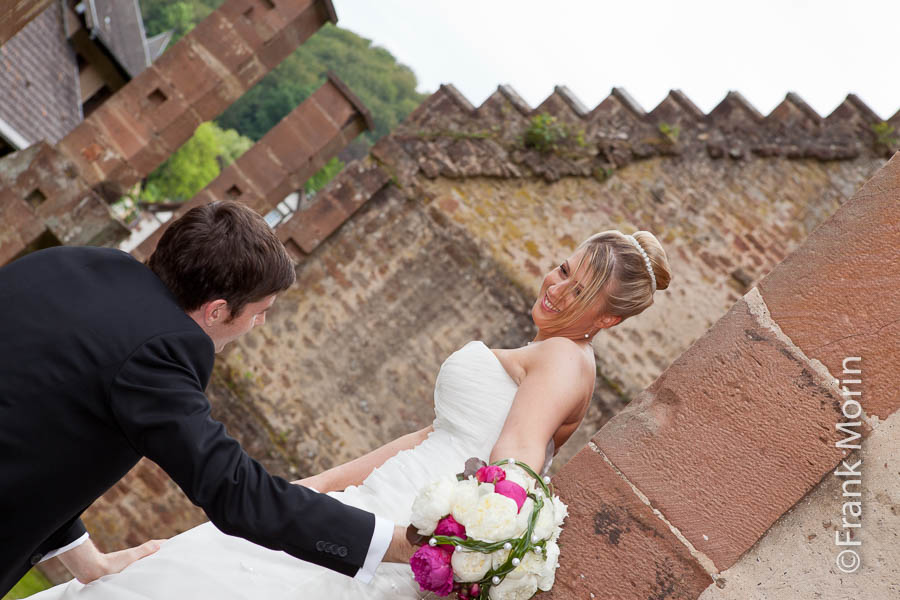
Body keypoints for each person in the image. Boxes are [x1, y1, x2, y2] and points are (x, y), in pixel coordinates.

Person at [27, 229, 671, 599]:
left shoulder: (564, 359)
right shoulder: (545, 351)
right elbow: (427, 436)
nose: (555, 287)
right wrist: (312, 490)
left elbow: (512, 472)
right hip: (384, 497)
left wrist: (456, 542)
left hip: (409, 525)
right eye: (563, 268)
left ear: (608, 319)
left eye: (578, 289)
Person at [0, 201, 416, 597]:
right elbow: (236, 491)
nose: (260, 322)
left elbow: (40, 425)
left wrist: (88, 561)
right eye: (259, 310)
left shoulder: (67, 264)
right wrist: (395, 545)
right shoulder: (159, 353)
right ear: (217, 311)